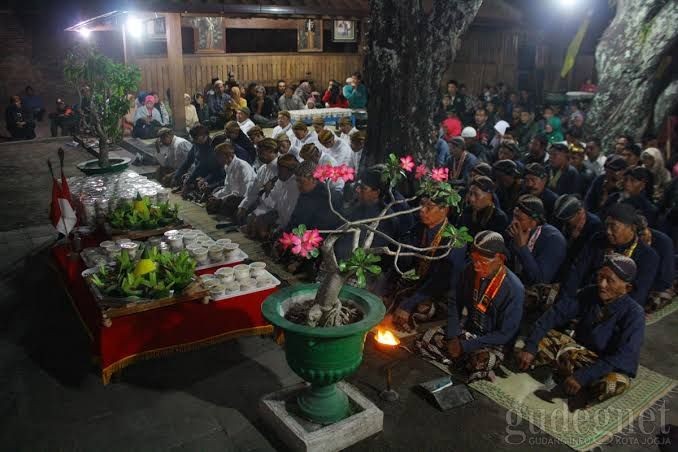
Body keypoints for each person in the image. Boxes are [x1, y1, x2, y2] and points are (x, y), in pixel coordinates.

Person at [517, 254, 644, 410]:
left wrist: (584, 376)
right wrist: (530, 346)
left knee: (615, 383)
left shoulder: (634, 314)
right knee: (532, 342)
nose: (602, 284)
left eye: (610, 280)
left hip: (604, 365)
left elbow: (623, 357)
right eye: (600, 277)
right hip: (578, 353)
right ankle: (569, 379)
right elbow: (555, 314)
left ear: (627, 288)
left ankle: (576, 383)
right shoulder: (590, 293)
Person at [416, 231, 524, 382]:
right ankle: (459, 360)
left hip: (492, 343)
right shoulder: (469, 270)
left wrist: (465, 346)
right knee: (424, 338)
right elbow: (455, 301)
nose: (476, 266)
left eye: (482, 262)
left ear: (500, 259)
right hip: (468, 331)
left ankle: (463, 361)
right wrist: (453, 335)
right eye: (474, 260)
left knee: (478, 361)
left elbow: (505, 334)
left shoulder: (514, 289)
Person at [390, 195, 468, 331]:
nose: (422, 210)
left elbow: (442, 281)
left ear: (444, 210)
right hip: (419, 282)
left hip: (441, 293)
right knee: (388, 298)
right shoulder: (419, 228)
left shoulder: (455, 241)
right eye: (422, 204)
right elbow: (403, 259)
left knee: (419, 310)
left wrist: (409, 304)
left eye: (429, 207)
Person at [562, 203, 659, 307]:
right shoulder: (598, 240)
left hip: (617, 309)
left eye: (613, 226)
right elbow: (577, 271)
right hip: (585, 297)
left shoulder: (648, 256)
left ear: (632, 228)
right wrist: (566, 301)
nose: (608, 231)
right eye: (607, 225)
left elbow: (637, 295)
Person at [506, 195, 566, 311]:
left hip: (539, 304)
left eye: (519, 218)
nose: (513, 222)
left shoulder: (553, 240)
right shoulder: (516, 231)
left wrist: (522, 248)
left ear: (534, 221)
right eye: (514, 216)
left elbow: (539, 280)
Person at [552, 195, 603, 281]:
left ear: (580, 212)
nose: (565, 223)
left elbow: (587, 260)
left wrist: (575, 240)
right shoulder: (563, 221)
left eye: (568, 220)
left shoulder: (595, 226)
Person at [284, 160, 343, 231]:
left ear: (313, 179)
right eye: (297, 181)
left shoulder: (329, 198)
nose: (298, 185)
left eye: (301, 181)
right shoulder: (305, 194)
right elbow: (294, 221)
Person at [635, 215, 675, 313]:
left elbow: (666, 277)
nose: (641, 237)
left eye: (643, 234)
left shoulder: (663, 241)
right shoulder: (632, 240)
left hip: (657, 284)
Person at [173, 126, 225, 201]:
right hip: (200, 173)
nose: (194, 140)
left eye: (196, 138)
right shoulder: (196, 144)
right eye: (193, 138)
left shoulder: (211, 147)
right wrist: (177, 175)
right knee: (182, 178)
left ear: (205, 136)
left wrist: (188, 183)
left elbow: (201, 167)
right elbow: (188, 161)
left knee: (201, 185)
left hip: (214, 174)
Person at [207, 140, 257, 217]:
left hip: (244, 197)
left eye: (219, 157)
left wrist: (221, 199)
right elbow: (228, 188)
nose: (217, 159)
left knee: (228, 201)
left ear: (228, 156)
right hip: (233, 195)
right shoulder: (227, 166)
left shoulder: (242, 166)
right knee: (214, 193)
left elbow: (243, 192)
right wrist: (215, 196)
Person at [236, 138, 279, 224]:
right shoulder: (263, 169)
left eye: (261, 152)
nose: (258, 155)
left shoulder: (280, 168)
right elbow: (252, 191)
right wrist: (243, 206)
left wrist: (256, 213)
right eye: (258, 152)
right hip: (262, 206)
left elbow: (275, 199)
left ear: (271, 150)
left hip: (275, 209)